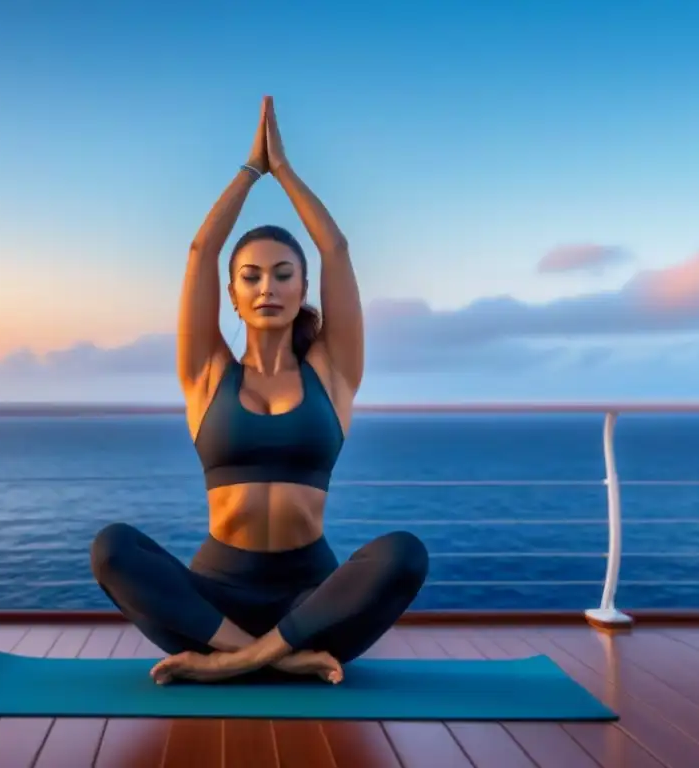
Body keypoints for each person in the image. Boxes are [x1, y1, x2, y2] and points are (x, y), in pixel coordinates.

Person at [90, 96, 429, 685]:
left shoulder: (334, 373)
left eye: (282, 274)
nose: (267, 287)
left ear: (303, 290)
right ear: (232, 295)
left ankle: (244, 660)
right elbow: (200, 252)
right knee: (111, 547)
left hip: (312, 604)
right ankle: (269, 656)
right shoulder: (207, 373)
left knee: (406, 553)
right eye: (251, 276)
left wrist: (287, 173)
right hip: (211, 604)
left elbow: (337, 250)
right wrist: (251, 170)